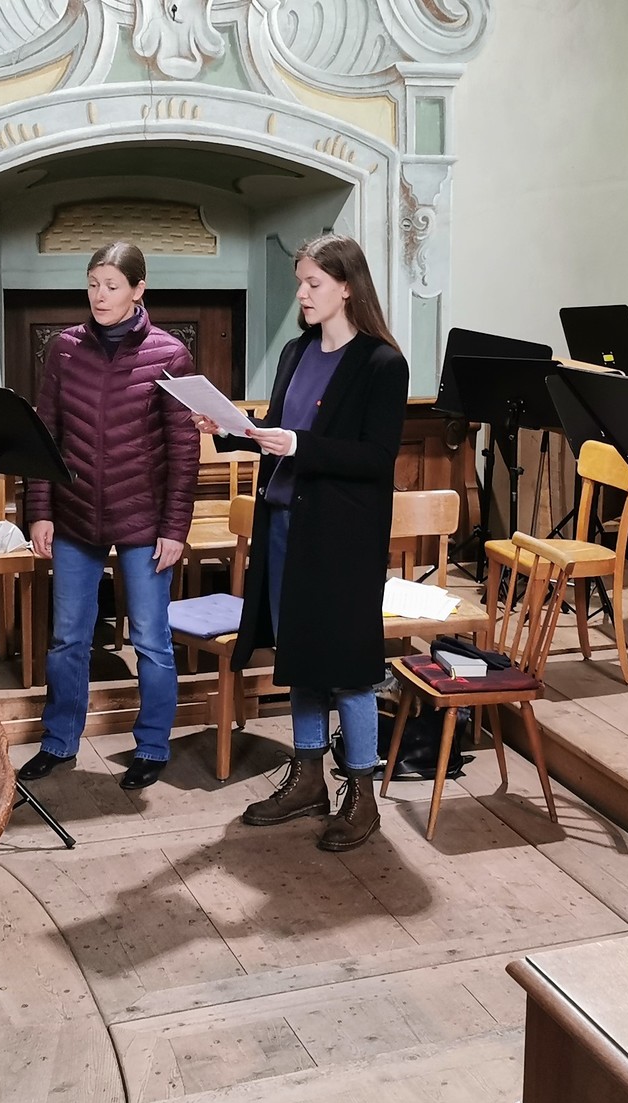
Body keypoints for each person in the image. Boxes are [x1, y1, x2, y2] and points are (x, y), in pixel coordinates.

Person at [195, 233, 408, 852]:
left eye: (314, 283)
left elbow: (376, 458)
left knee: (350, 669)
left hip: (341, 538)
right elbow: (277, 430)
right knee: (301, 656)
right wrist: (229, 431)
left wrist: (300, 446)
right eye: (301, 283)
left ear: (348, 287)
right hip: (285, 525)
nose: (303, 294)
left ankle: (361, 795)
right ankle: (309, 778)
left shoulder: (381, 363)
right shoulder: (297, 351)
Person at [20, 241, 200, 790]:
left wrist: (175, 529)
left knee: (151, 640)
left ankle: (152, 746)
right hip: (75, 515)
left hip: (145, 521)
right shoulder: (65, 349)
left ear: (139, 290)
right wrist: (39, 510)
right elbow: (45, 433)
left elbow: (184, 451)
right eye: (93, 284)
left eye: (112, 286)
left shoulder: (170, 354)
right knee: (67, 639)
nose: (100, 295)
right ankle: (59, 741)